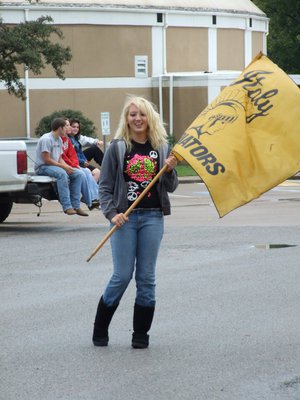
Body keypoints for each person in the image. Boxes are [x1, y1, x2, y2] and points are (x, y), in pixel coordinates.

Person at [92, 96, 178, 349]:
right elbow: (105, 187)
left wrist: (171, 169)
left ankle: (141, 334)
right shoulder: (118, 148)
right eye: (132, 114)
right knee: (122, 275)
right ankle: (100, 328)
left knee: (147, 277)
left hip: (152, 217)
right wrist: (111, 214)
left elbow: (170, 187)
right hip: (124, 219)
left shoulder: (163, 148)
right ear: (126, 119)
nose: (137, 118)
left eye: (141, 114)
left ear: (149, 117)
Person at [35, 118, 88, 216]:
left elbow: (59, 158)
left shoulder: (59, 139)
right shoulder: (46, 139)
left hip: (54, 165)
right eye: (66, 127)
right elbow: (47, 160)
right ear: (60, 128)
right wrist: (64, 168)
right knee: (62, 174)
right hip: (43, 167)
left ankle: (76, 206)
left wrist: (68, 167)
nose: (68, 130)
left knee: (78, 174)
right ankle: (67, 207)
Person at [62, 119, 100, 210]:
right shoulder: (65, 139)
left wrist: (84, 161)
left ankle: (94, 198)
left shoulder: (75, 139)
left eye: (77, 127)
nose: (74, 129)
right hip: (69, 164)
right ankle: (91, 199)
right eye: (72, 126)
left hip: (76, 163)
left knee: (93, 171)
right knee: (86, 172)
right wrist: (81, 163)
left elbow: (78, 153)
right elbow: (65, 156)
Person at [69, 118, 102, 183]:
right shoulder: (67, 139)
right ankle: (90, 191)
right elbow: (71, 156)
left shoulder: (76, 137)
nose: (76, 129)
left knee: (94, 149)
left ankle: (108, 168)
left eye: (77, 127)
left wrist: (96, 141)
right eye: (73, 127)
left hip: (79, 159)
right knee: (96, 172)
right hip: (74, 161)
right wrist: (83, 162)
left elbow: (86, 139)